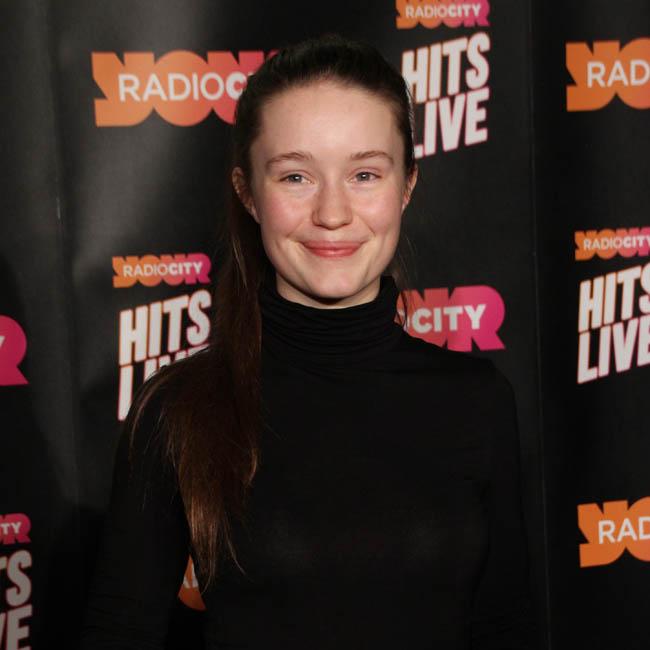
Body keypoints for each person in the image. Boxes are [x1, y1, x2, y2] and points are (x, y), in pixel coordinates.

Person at [81, 33, 535, 649]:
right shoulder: (178, 411)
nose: (332, 213)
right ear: (248, 192)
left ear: (406, 186)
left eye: (365, 174)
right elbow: (120, 633)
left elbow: (505, 627)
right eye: (296, 176)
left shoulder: (479, 402)